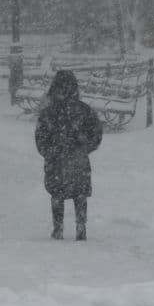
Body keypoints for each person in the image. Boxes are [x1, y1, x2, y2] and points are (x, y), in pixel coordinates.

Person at [35, 70, 103, 240]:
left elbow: (40, 138)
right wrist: (85, 146)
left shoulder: (48, 113)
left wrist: (49, 152)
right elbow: (96, 133)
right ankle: (81, 227)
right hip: (78, 159)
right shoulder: (84, 110)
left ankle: (58, 228)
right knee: (80, 194)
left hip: (57, 159)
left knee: (57, 194)